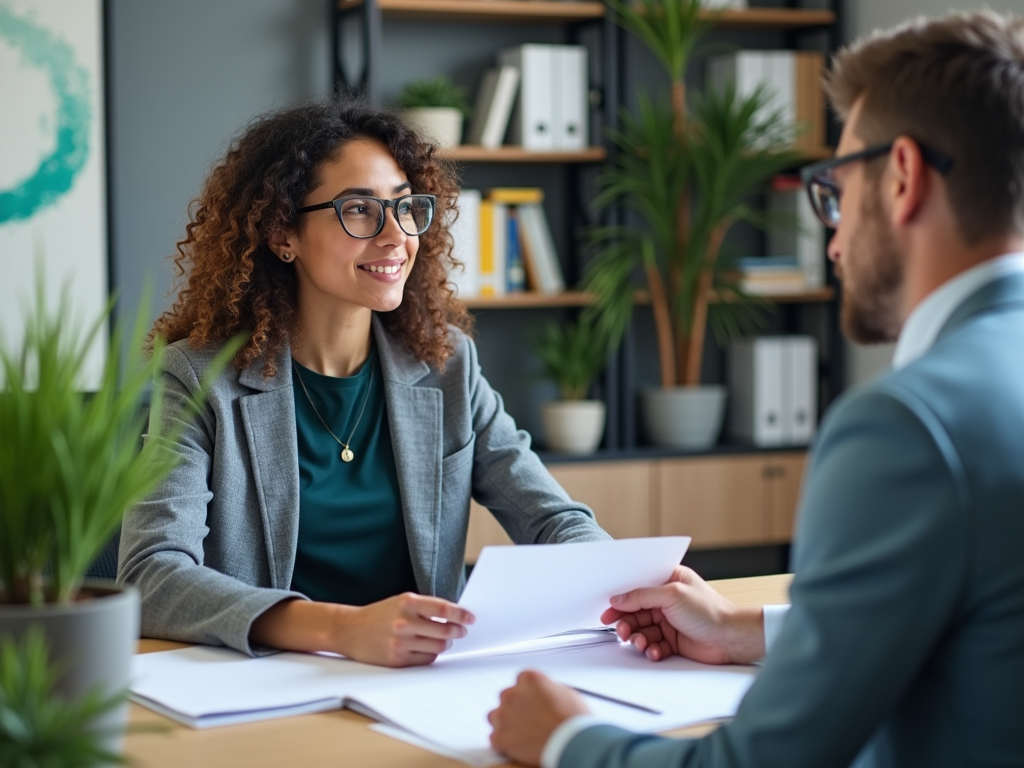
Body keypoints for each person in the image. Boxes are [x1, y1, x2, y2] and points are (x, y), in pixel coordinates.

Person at [488, 10, 1024, 767]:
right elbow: (975, 621)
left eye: (834, 190)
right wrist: (742, 629)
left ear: (901, 176)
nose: (831, 238)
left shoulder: (908, 425)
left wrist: (567, 740)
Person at [117, 101, 610, 667]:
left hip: (415, 685)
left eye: (404, 208)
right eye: (360, 210)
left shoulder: (449, 367)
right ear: (283, 231)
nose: (395, 236)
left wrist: (624, 587)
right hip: (267, 685)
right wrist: (341, 628)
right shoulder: (201, 379)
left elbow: (553, 519)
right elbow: (152, 572)